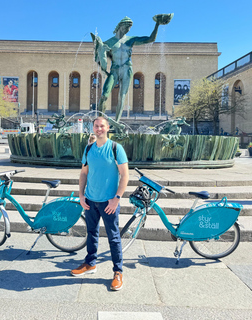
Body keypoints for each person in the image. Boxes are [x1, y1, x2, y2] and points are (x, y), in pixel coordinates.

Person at [71, 116, 129, 291]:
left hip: (108, 202)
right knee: (91, 232)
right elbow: (83, 173)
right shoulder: (89, 149)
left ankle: (118, 272)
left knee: (113, 237)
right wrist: (81, 195)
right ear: (93, 128)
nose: (99, 129)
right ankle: (90, 263)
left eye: (102, 126)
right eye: (96, 126)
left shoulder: (115, 148)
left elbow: (125, 175)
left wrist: (116, 198)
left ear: (108, 127)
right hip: (90, 200)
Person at [91, 14, 172, 124]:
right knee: (104, 95)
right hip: (114, 70)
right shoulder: (109, 42)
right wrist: (99, 50)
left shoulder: (131, 40)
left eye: (129, 29)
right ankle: (100, 122)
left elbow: (150, 39)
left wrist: (157, 24)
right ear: (120, 26)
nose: (127, 31)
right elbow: (99, 59)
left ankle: (117, 122)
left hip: (127, 70)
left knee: (122, 96)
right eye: (126, 28)